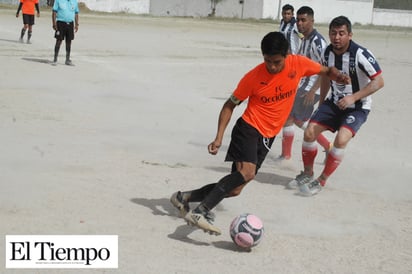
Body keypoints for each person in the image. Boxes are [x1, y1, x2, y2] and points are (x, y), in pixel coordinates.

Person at [170, 32, 350, 235]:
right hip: (248, 128)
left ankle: (183, 197)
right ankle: (201, 211)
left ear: (287, 56)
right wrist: (219, 137)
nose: (272, 66)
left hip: (268, 136)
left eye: (276, 62)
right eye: (267, 61)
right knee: (247, 173)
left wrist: (335, 74)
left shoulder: (298, 64)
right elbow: (229, 105)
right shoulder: (253, 77)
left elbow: (325, 70)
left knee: (235, 188)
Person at [289, 16, 384, 196]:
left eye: (341, 33)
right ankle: (308, 173)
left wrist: (353, 98)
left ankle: (321, 180)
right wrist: (323, 100)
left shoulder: (361, 54)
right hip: (333, 103)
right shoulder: (327, 53)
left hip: (358, 107)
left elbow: (379, 81)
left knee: (341, 139)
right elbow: (325, 76)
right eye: (333, 33)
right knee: (309, 132)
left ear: (350, 35)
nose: (337, 37)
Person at [279, 6, 331, 162]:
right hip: (302, 85)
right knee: (295, 119)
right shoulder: (304, 39)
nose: (300, 23)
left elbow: (325, 70)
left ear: (312, 21)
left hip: (311, 88)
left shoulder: (318, 42)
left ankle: (286, 156)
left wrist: (313, 91)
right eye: (299, 20)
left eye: (304, 20)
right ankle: (327, 146)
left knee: (291, 118)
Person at [52, 0, 79, 66]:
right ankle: (55, 59)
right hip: (60, 23)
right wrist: (54, 23)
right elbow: (54, 12)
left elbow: (76, 13)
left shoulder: (74, 1)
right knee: (59, 40)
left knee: (69, 42)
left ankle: (67, 59)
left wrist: (76, 24)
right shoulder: (58, 1)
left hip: (70, 24)